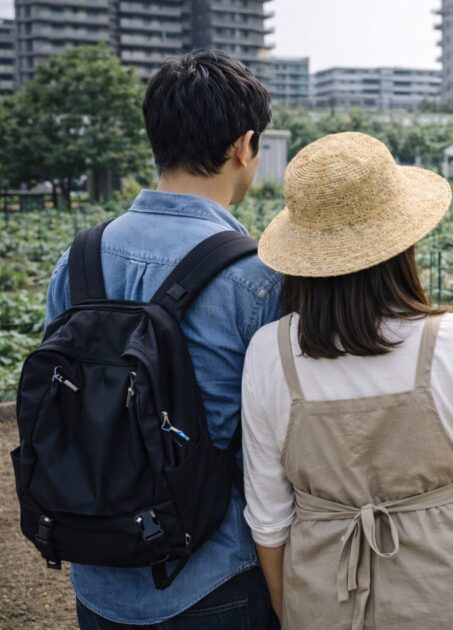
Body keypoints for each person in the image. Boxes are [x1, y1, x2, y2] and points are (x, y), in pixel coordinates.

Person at [241, 131, 453, 630]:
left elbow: (269, 514)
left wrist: (285, 601)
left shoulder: (270, 352)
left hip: (325, 589)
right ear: (401, 243)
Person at [45, 51, 282, 628]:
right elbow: (277, 442)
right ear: (244, 145)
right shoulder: (257, 277)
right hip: (217, 576)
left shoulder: (77, 261)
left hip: (98, 574)